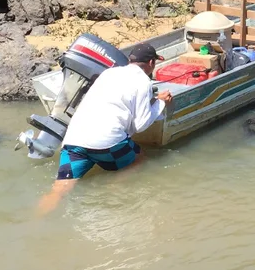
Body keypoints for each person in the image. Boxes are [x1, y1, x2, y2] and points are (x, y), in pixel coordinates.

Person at [37, 43, 172, 214]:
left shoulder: (108, 72)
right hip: (107, 142)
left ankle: (34, 222)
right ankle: (111, 188)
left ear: (130, 60)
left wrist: (151, 100)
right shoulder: (143, 81)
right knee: (139, 158)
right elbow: (141, 124)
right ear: (152, 63)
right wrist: (160, 102)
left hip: (74, 139)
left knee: (57, 191)